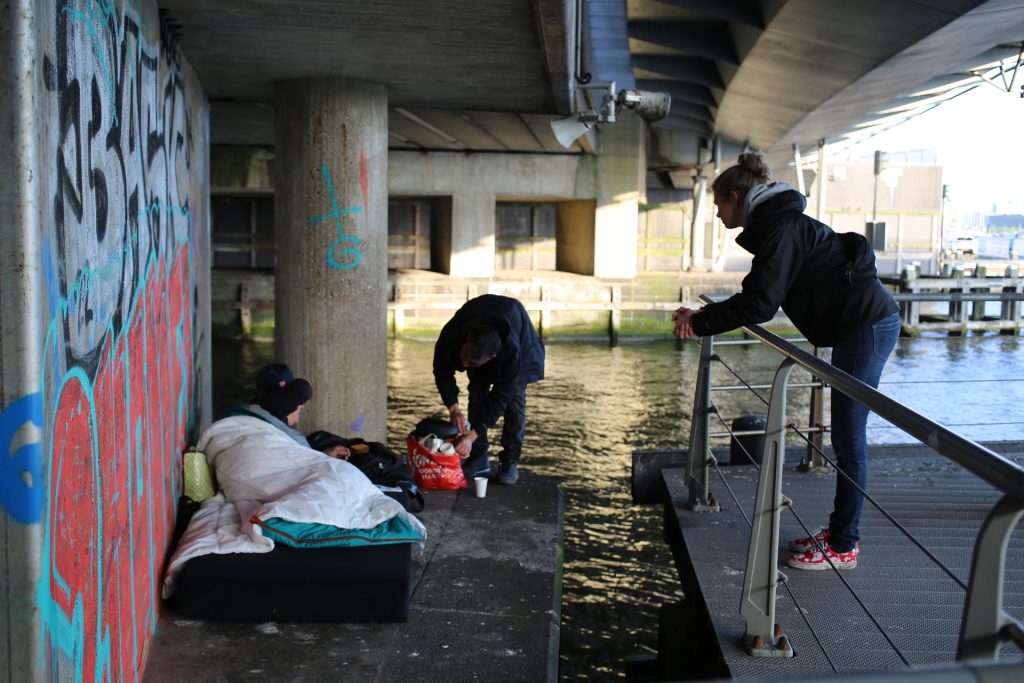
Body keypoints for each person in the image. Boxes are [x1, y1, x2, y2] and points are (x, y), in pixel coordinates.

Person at [672, 151, 900, 571]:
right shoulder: (777, 227)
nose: (717, 213)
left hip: (865, 327)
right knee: (846, 438)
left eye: (719, 204)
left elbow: (759, 303)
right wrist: (703, 317)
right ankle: (838, 533)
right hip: (860, 325)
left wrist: (701, 323)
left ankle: (844, 545)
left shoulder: (781, 229)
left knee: (849, 441)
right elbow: (758, 293)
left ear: (736, 196)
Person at [433, 294, 545, 485]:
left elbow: (501, 397)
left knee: (514, 404)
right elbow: (441, 368)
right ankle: (478, 459)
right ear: (467, 339)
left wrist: (473, 434)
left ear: (490, 358)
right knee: (476, 396)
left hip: (522, 345)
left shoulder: (512, 353)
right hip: (478, 316)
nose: (464, 364)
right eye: (465, 355)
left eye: (472, 362)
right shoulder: (453, 333)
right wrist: (453, 408)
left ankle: (510, 462)